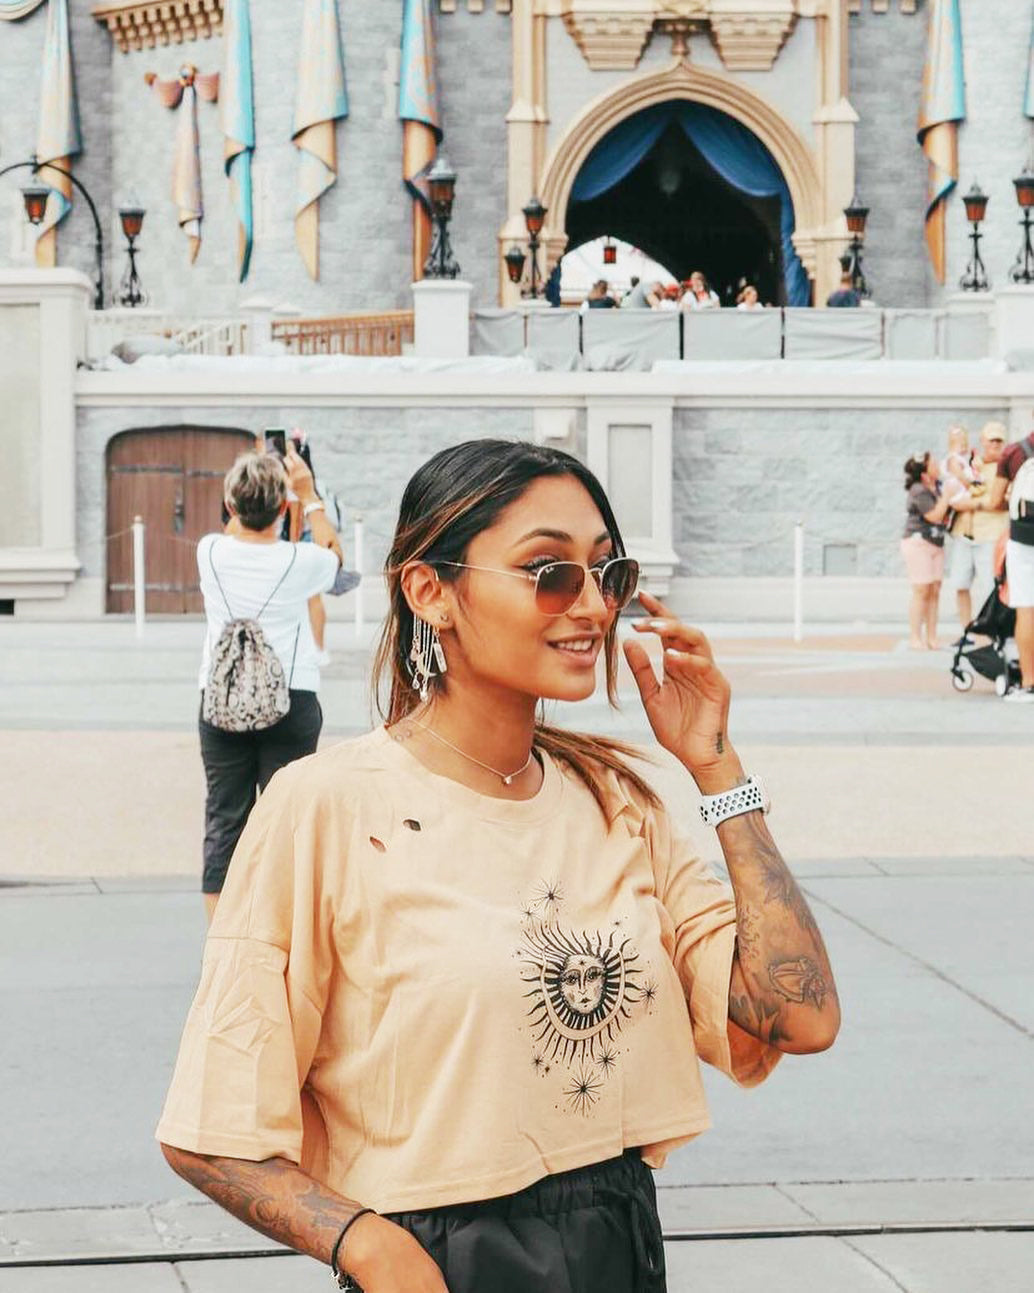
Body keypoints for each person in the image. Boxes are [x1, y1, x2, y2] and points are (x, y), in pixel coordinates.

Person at [158, 440, 839, 1293]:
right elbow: (211, 1127)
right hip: (438, 1264)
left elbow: (799, 1016)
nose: (591, 605)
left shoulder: (617, 802)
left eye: (608, 573)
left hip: (619, 1251)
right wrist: (366, 1244)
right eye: (549, 572)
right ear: (429, 590)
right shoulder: (324, 807)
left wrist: (717, 768)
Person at [197, 449, 343, 922]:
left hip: (221, 701)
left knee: (225, 819)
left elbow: (235, 530)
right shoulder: (302, 560)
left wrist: (259, 478)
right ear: (283, 508)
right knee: (288, 820)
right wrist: (308, 495)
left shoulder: (209, 552)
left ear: (230, 505)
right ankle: (284, 935)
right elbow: (335, 558)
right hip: (291, 699)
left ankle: (220, 944)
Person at [900, 451, 976, 650]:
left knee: (934, 590)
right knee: (921, 590)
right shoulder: (918, 490)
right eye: (932, 464)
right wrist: (947, 497)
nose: (937, 465)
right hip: (918, 543)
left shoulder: (941, 486)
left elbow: (958, 499)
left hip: (936, 543)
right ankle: (915, 637)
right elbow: (934, 515)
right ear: (924, 473)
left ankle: (932, 637)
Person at [986, 424, 1034, 701]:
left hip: (1024, 539)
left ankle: (1029, 683)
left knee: (1026, 608)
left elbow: (994, 501)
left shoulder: (1014, 452)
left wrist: (1014, 499)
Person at [947, 421, 1008, 634]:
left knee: (990, 587)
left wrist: (976, 504)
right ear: (983, 441)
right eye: (991, 441)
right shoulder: (971, 463)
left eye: (999, 441)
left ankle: (989, 633)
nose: (995, 445)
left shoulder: (1005, 468)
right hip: (964, 532)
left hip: (990, 534)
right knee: (960, 583)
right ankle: (967, 630)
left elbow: (1003, 501)